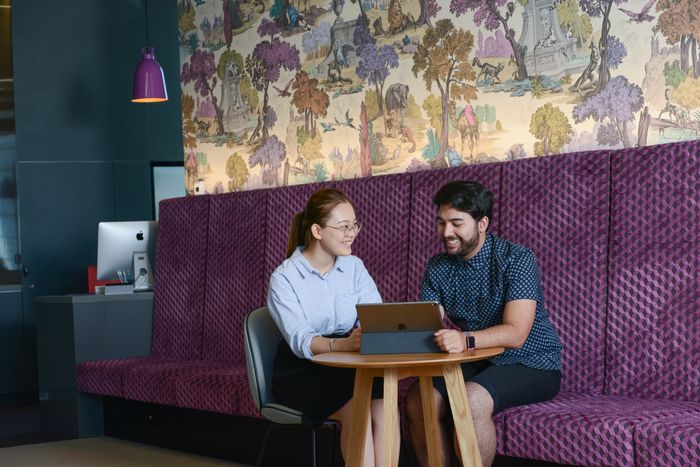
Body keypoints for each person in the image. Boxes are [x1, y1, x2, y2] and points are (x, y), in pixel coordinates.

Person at [406, 181, 562, 467]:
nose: (446, 232)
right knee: (420, 398)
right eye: (441, 223)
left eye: (456, 223)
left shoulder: (516, 258)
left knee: (471, 398)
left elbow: (515, 334)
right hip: (477, 359)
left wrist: (463, 339)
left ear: (482, 223)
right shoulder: (437, 267)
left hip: (531, 361)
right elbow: (427, 322)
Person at [267, 188, 396, 467]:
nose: (352, 233)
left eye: (354, 225)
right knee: (357, 409)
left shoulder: (354, 267)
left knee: (385, 406)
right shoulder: (285, 277)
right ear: (317, 230)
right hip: (303, 368)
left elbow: (374, 315)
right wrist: (344, 345)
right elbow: (301, 340)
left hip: (351, 362)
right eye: (343, 227)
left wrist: (368, 334)